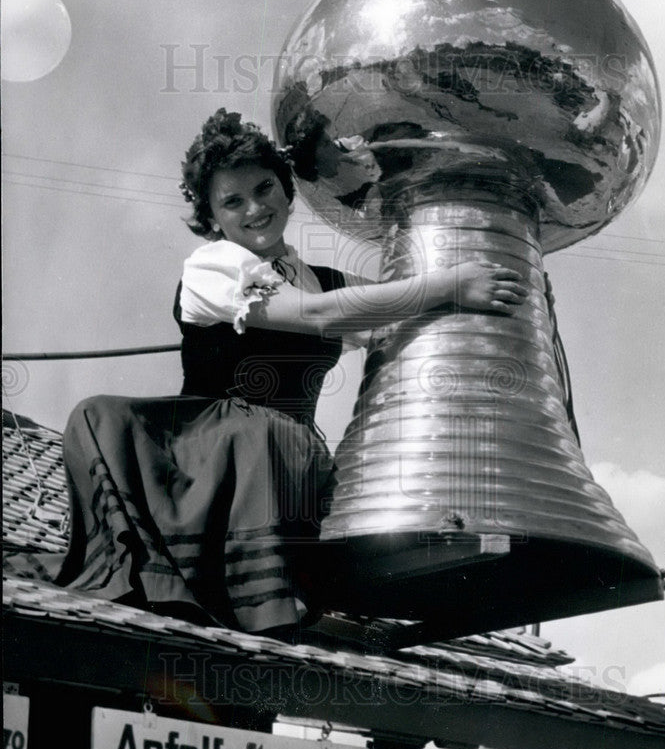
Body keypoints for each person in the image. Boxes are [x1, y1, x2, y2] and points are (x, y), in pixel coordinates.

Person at [56, 108, 527, 636]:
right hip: (209, 460)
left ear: (287, 191)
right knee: (110, 415)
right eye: (233, 202)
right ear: (213, 218)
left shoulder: (324, 280)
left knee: (289, 442)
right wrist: (446, 287)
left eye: (265, 189)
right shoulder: (213, 267)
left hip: (287, 462)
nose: (255, 209)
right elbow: (317, 315)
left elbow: (393, 305)